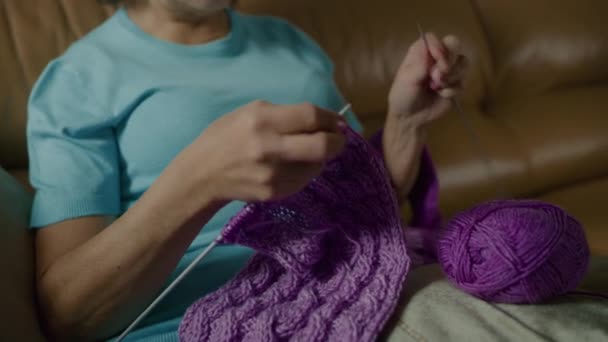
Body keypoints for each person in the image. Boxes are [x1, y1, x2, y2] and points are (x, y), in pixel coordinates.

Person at [26, 0, 467, 340]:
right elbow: (71, 316)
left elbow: (363, 203)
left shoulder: (292, 44)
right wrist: (198, 182)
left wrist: (405, 125)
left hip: (369, 285)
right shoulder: (77, 80)